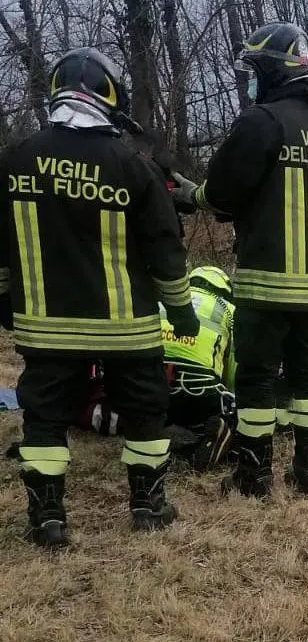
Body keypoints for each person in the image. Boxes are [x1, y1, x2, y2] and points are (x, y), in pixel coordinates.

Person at [0, 47, 199, 548]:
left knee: (43, 417)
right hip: (125, 325)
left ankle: (47, 516)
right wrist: (180, 310)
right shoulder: (132, 165)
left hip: (46, 325)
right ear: (108, 95)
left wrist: (4, 301)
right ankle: (148, 504)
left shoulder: (15, 160)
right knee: (145, 410)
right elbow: (165, 249)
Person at [171, 22, 308, 497]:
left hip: (265, 279)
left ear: (272, 71)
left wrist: (193, 194)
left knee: (256, 378)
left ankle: (254, 475)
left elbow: (225, 193)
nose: (250, 82)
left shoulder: (262, 121)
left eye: (254, 71)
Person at [159, 265, 237, 471]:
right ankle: (217, 431)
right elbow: (235, 370)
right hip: (198, 394)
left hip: (154, 390)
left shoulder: (163, 301)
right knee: (232, 409)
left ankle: (150, 433)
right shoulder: (229, 311)